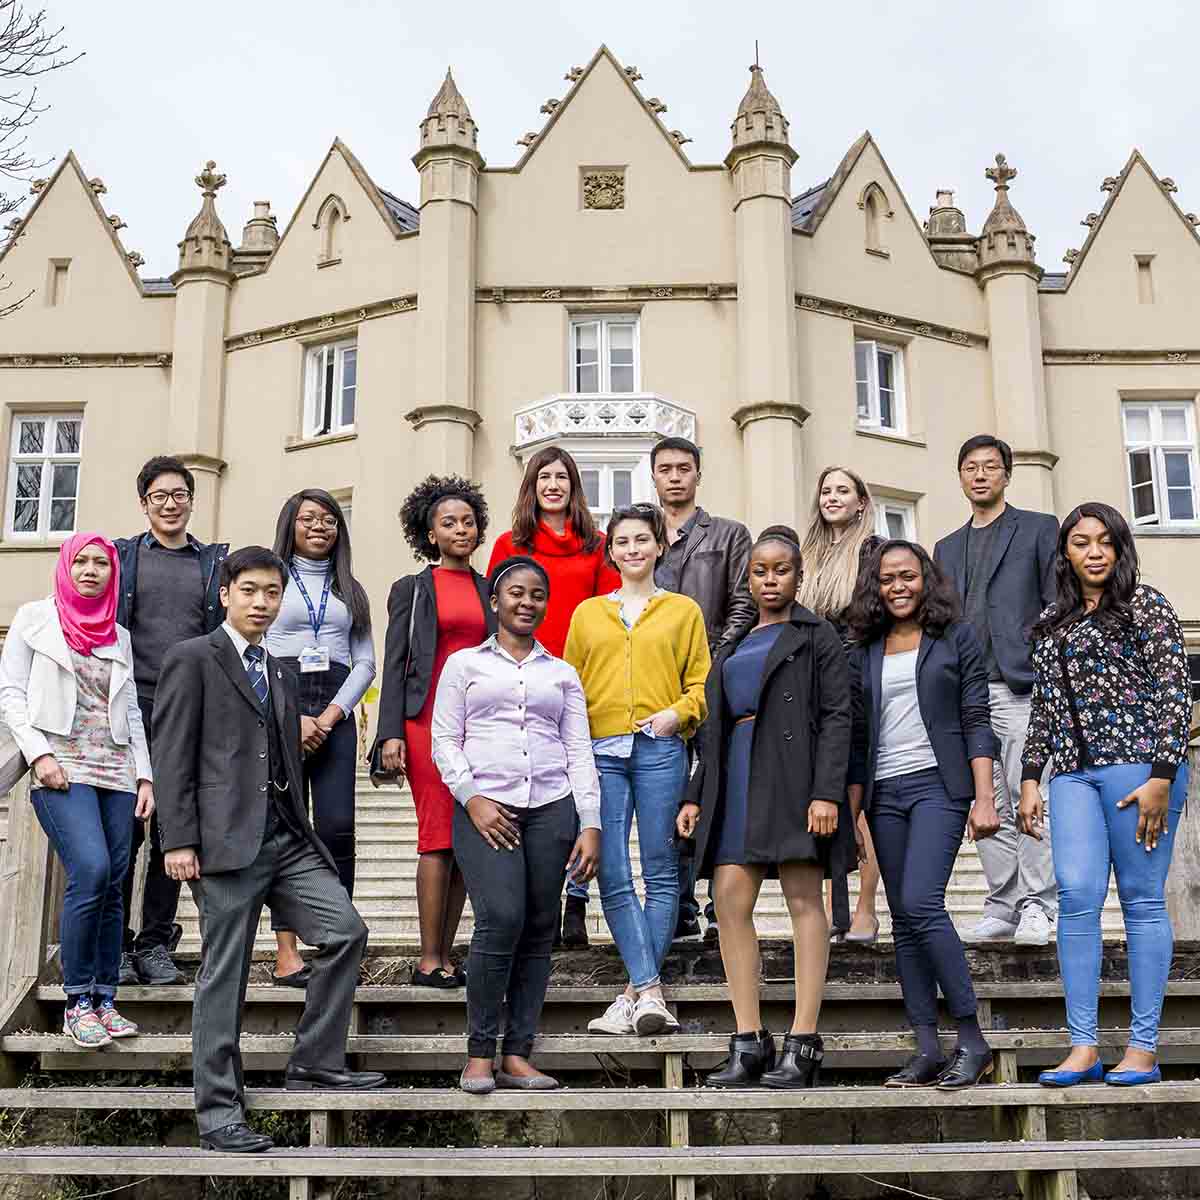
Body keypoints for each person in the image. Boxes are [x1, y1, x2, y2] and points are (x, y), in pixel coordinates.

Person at [154, 547, 384, 1154]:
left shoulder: (280, 669)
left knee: (345, 932)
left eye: (271, 593)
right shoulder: (192, 659)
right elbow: (173, 754)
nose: (262, 603)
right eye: (250, 591)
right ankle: (219, 1114)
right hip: (223, 844)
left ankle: (314, 1059)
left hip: (285, 836)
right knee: (223, 978)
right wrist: (177, 839)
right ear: (227, 594)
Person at [1019, 504, 1192, 1088]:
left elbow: (1175, 692)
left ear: (1119, 548)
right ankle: (1083, 1045)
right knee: (1077, 897)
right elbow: (1043, 710)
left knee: (1141, 901)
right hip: (1071, 776)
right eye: (1080, 542)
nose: (1093, 552)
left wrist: (1163, 777)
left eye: (1104, 541)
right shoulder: (1050, 622)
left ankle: (1143, 1049)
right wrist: (1028, 777)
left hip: (1140, 772)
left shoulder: (1147, 605)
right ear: (1065, 552)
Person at [677, 526, 854, 1088]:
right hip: (735, 777)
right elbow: (713, 729)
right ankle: (749, 1039)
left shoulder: (818, 635)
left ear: (798, 576)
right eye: (759, 570)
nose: (770, 578)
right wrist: (694, 794)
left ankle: (803, 1040)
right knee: (729, 900)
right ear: (747, 578)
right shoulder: (731, 645)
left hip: (795, 778)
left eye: (781, 569)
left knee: (805, 898)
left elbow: (837, 718)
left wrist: (826, 791)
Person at [431, 556, 602, 1093]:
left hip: (552, 804)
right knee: (500, 917)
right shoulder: (463, 665)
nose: (527, 602)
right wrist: (472, 798)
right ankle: (479, 1052)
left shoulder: (562, 673)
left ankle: (518, 1053)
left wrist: (590, 821)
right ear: (495, 601)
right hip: (487, 806)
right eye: (516, 593)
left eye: (537, 595)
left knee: (538, 927)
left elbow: (578, 749)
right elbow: (444, 739)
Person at [847, 540, 1001, 1090]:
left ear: (925, 579)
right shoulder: (864, 646)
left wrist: (984, 797)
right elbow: (857, 734)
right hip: (884, 790)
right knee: (903, 919)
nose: (898, 586)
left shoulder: (955, 637)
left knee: (920, 902)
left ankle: (973, 1038)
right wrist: (855, 807)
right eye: (887, 579)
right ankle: (928, 1048)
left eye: (908, 576)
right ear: (876, 586)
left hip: (940, 784)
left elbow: (977, 718)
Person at [0, 534, 153, 1049]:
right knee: (90, 870)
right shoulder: (34, 619)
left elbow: (130, 710)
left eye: (102, 563)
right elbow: (12, 693)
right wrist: (38, 754)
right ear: (67, 566)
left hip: (115, 768)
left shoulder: (118, 635)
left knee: (115, 882)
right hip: (62, 767)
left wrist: (145, 775)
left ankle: (106, 998)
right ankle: (77, 1000)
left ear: (114, 573)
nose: (91, 570)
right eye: (82, 561)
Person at [564, 503, 710, 1036]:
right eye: (622, 541)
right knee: (611, 871)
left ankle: (633, 994)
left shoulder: (683, 611)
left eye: (642, 540)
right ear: (611, 551)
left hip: (660, 749)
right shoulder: (587, 614)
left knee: (662, 869)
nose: (633, 549)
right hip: (602, 750)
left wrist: (679, 714)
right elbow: (570, 690)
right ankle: (649, 990)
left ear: (659, 547)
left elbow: (701, 685)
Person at [488, 446, 619, 947]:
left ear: (573, 486)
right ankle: (524, 894)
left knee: (579, 787)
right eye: (544, 477)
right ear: (532, 486)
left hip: (578, 678)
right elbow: (493, 608)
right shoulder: (510, 542)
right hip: (521, 679)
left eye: (562, 477)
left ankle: (576, 903)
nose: (553, 485)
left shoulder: (596, 544)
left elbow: (607, 613)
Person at [934, 435, 1059, 948]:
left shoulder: (1037, 529)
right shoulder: (945, 547)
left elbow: (1057, 603)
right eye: (970, 467)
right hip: (970, 693)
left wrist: (1047, 669)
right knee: (986, 801)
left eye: (990, 466)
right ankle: (1003, 903)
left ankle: (1039, 904)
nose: (980, 474)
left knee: (1031, 793)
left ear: (1007, 474)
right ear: (960, 477)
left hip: (1021, 686)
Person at [375, 476, 494, 988]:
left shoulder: (490, 587)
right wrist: (390, 733)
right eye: (448, 523)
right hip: (425, 723)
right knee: (437, 836)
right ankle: (428, 958)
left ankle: (445, 955)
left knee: (467, 838)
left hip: (481, 724)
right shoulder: (412, 589)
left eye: (467, 521)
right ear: (429, 535)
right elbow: (395, 660)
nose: (460, 529)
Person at [115, 456, 228, 986]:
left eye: (179, 494)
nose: (170, 503)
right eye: (159, 495)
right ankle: (113, 944)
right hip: (128, 708)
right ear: (144, 503)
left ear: (191, 500)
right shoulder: (122, 558)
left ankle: (155, 942)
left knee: (172, 830)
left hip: (187, 711)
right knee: (124, 833)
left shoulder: (212, 565)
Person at [265, 490, 375, 986]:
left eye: (329, 520)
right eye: (308, 518)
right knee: (285, 827)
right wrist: (291, 719)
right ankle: (286, 951)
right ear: (290, 523)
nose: (319, 526)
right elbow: (252, 646)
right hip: (277, 700)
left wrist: (330, 716)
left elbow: (366, 662)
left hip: (335, 705)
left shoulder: (350, 588)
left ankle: (336, 939)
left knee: (336, 826)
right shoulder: (269, 581)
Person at [651, 435, 754, 944]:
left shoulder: (730, 536)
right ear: (654, 477)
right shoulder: (641, 536)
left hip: (714, 679)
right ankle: (681, 902)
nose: (675, 476)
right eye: (666, 468)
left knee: (715, 787)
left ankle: (719, 902)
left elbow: (743, 601)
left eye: (684, 467)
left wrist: (712, 662)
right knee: (670, 792)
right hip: (655, 687)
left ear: (697, 474)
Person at [798, 466, 885, 946]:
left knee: (858, 795)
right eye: (826, 489)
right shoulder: (807, 552)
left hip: (856, 675)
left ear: (860, 501)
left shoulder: (871, 551)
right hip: (813, 677)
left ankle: (865, 910)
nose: (832, 497)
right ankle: (832, 907)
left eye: (842, 490)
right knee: (822, 788)